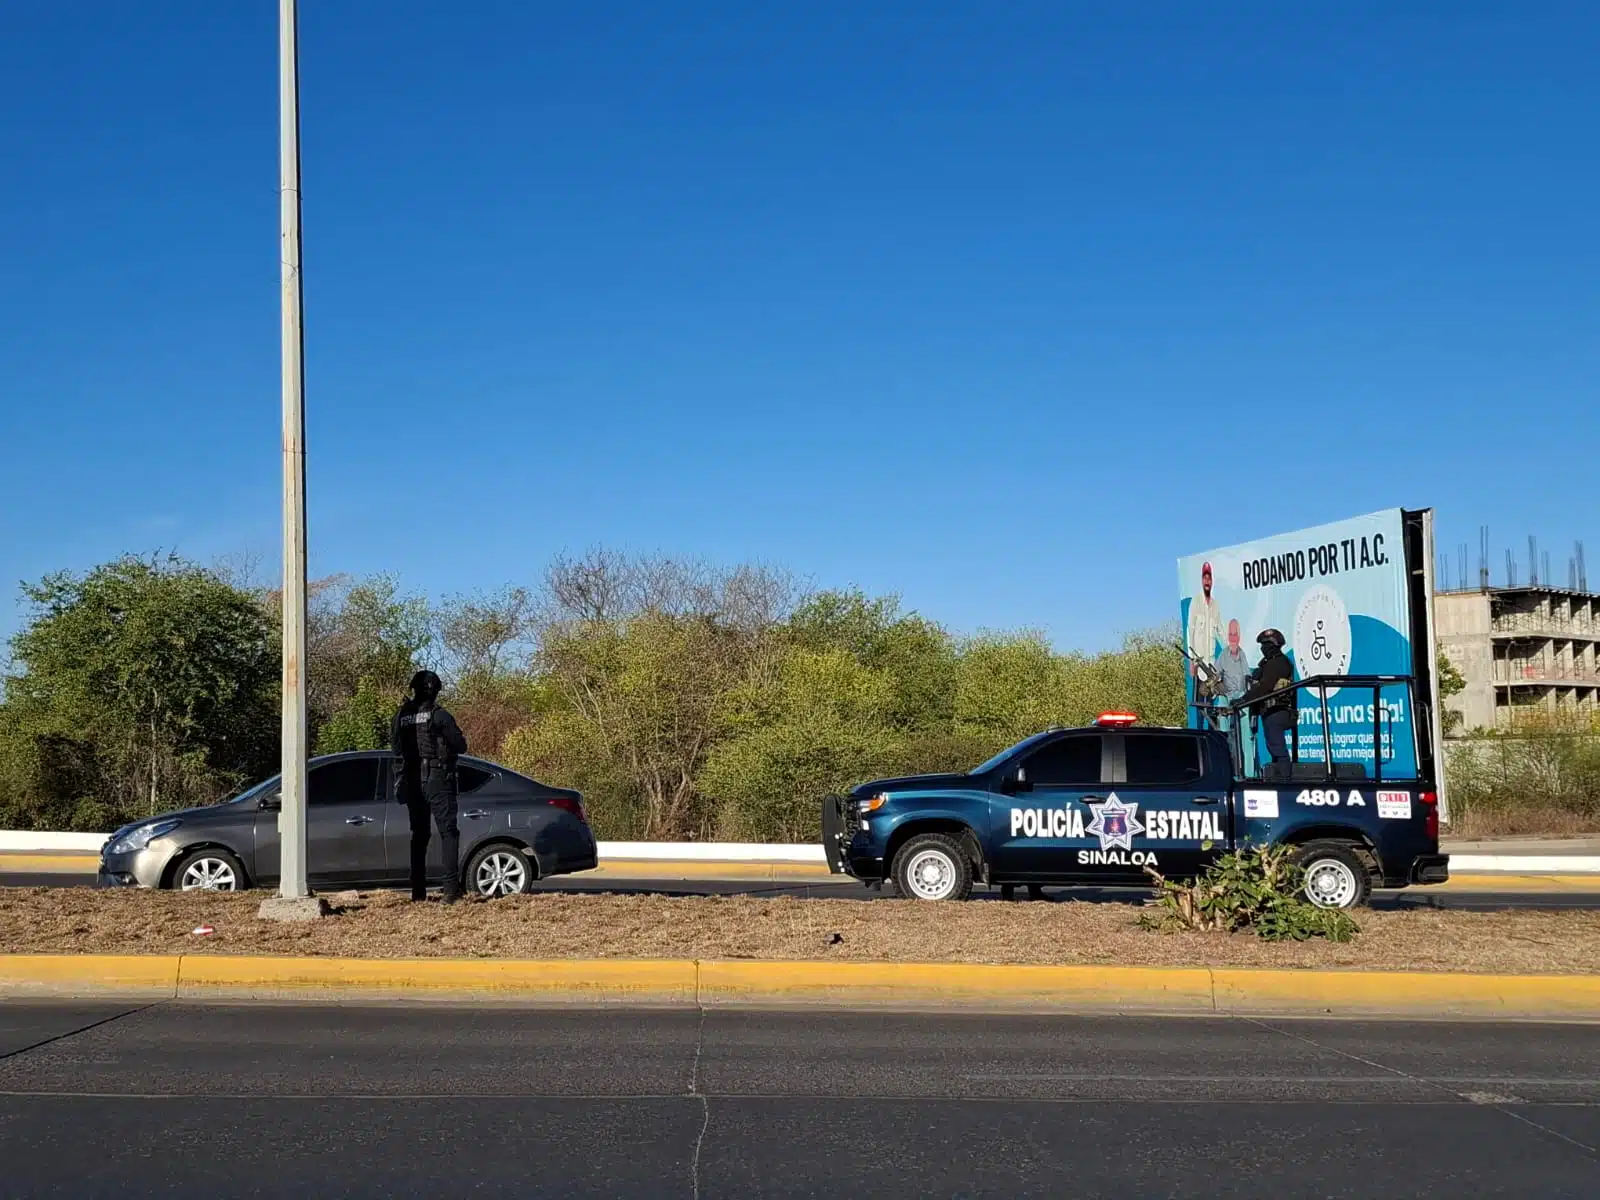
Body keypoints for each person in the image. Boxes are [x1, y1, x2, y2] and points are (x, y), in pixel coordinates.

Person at [391, 670, 469, 902]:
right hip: (436, 777)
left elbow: (396, 748)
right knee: (448, 832)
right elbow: (461, 745)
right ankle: (450, 891)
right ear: (434, 689)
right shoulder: (439, 716)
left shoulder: (400, 716)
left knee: (419, 835)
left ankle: (418, 892)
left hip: (412, 778)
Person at [1240, 628, 1295, 769]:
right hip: (1271, 711)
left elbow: (1264, 687)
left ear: (1274, 645)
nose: (1263, 649)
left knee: (1278, 750)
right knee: (1274, 749)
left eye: (1266, 646)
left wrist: (1243, 700)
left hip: (1277, 711)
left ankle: (1285, 782)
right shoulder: (1269, 663)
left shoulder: (1278, 663)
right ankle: (1279, 778)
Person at [1186, 562, 1223, 682]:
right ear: (1202, 581)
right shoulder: (1195, 602)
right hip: (1198, 663)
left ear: (1212, 581)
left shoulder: (1215, 604)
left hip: (1211, 664)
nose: (1207, 581)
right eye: (1205, 578)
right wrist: (1191, 660)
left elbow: (1220, 630)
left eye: (1209, 578)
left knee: (1211, 697)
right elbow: (1190, 630)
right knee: (1199, 698)